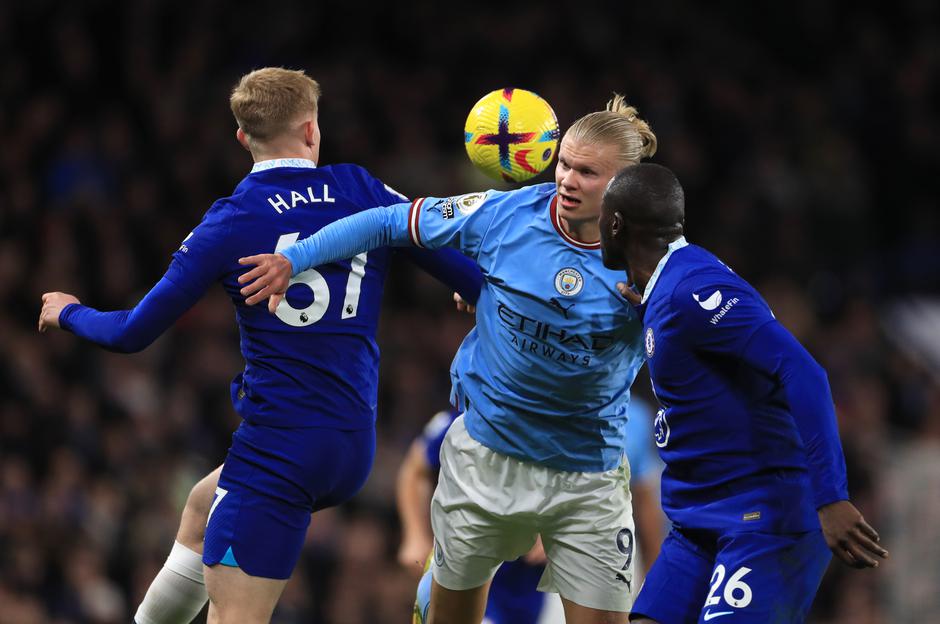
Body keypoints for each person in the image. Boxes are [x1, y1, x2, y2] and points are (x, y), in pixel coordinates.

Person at [37, 67, 484, 624]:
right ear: (311, 130)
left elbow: (132, 332)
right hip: (352, 444)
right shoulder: (361, 188)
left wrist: (70, 313)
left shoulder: (229, 221)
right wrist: (469, 292)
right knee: (202, 507)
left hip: (280, 452)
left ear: (243, 138)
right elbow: (455, 260)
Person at [238, 94, 658, 624]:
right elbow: (385, 222)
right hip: (488, 458)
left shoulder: (655, 262)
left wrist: (659, 313)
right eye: (564, 164)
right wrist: (294, 257)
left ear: (624, 186)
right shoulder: (504, 215)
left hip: (588, 478)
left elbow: (718, 337)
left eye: (587, 173)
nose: (567, 180)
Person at [596, 163, 889, 623]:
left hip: (762, 515)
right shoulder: (664, 292)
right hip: (697, 520)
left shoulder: (693, 289)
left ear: (614, 224)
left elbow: (804, 373)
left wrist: (831, 496)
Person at [399, 404, 665, 624]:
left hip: (552, 586)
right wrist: (415, 535)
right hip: (485, 576)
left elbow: (644, 504)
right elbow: (416, 467)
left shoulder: (629, 421)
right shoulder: (487, 407)